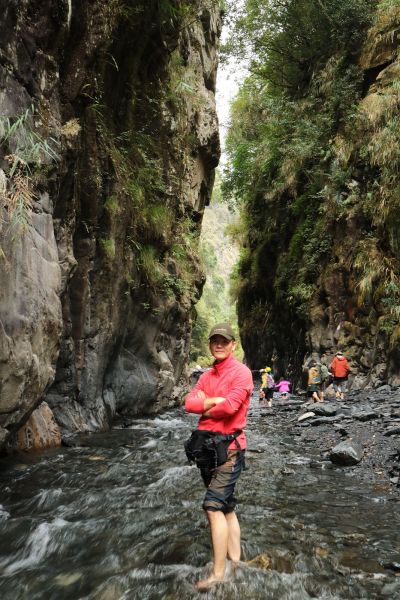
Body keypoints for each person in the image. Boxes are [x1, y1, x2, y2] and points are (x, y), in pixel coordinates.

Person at [184, 323, 253, 590]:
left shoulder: (242, 373)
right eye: (215, 341)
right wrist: (213, 401)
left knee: (212, 507)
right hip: (206, 450)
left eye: (224, 341)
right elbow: (188, 403)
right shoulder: (206, 375)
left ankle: (219, 573)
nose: (219, 345)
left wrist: (207, 403)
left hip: (231, 449)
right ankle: (236, 561)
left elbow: (231, 407)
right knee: (226, 507)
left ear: (233, 344)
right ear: (210, 344)